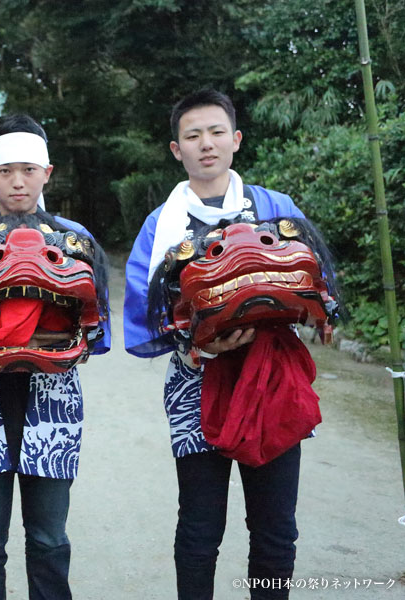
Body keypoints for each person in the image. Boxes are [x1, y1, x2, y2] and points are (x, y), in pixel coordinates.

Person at [123, 89, 310, 599]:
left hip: (272, 380)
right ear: (175, 149)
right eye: (192, 135)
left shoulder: (276, 208)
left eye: (215, 132)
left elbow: (313, 285)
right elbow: (144, 311)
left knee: (275, 526)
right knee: (201, 526)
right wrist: (200, 346)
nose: (206, 144)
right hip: (195, 383)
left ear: (236, 139)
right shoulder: (160, 226)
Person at [0, 114, 111, 600]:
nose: (17, 181)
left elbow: (100, 329)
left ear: (47, 173)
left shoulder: (74, 240)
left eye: (28, 170)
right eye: (5, 170)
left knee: (50, 539)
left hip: (54, 406)